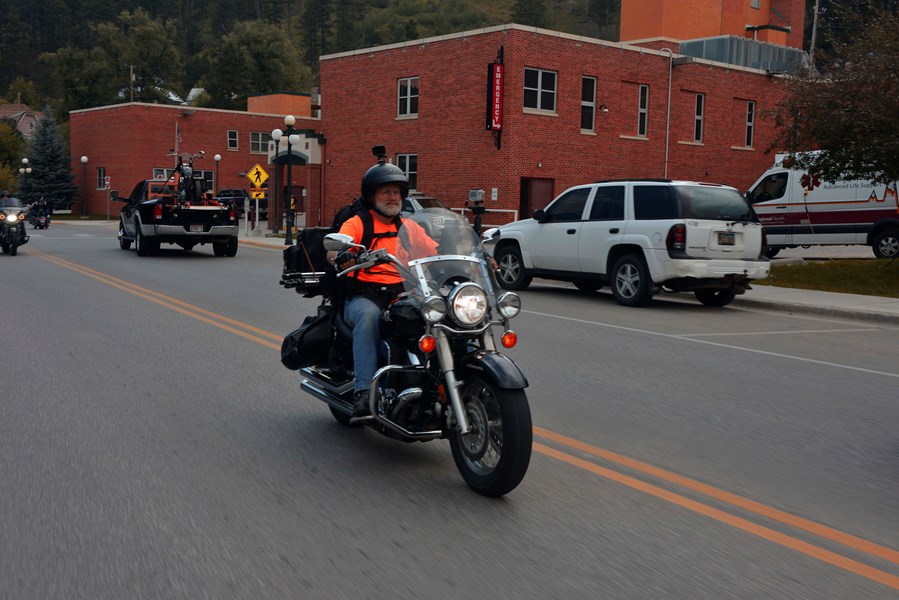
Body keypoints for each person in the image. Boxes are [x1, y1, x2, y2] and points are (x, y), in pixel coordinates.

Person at [327, 161, 437, 418]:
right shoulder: (358, 224)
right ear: (371, 196)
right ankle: (364, 393)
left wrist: (476, 258)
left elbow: (436, 252)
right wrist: (343, 256)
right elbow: (334, 251)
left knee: (442, 314)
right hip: (364, 296)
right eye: (385, 191)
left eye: (396, 192)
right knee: (369, 317)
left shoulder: (408, 228)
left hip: (402, 295)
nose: (392, 197)